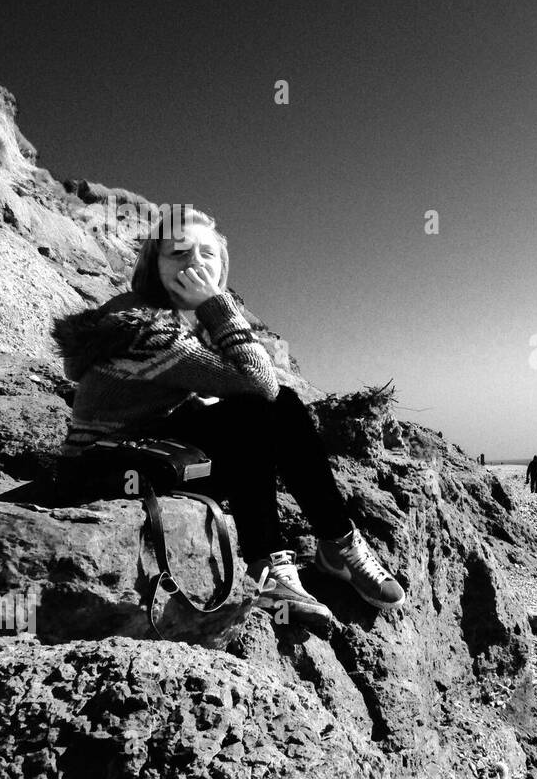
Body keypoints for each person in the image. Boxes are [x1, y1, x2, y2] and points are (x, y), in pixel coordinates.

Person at [51, 209, 406, 627]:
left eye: (207, 254)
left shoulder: (162, 318)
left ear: (221, 264)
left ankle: (329, 547)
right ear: (153, 269)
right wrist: (215, 303)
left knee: (260, 413)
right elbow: (261, 383)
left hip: (143, 449)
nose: (195, 263)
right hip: (116, 470)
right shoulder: (150, 327)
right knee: (268, 408)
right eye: (178, 253)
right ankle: (281, 566)